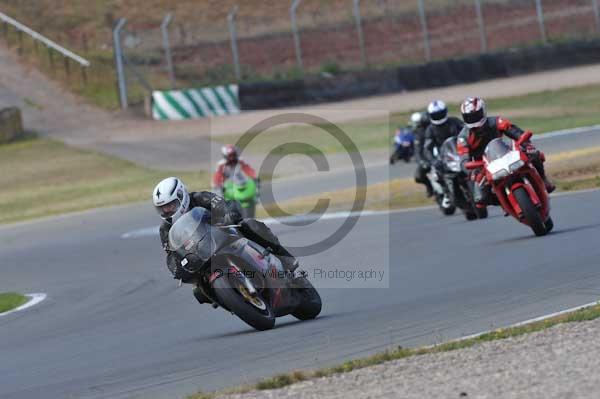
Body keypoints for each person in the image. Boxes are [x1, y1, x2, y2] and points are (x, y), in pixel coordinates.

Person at [152, 177, 299, 303]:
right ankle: (232, 301)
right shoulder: (165, 229)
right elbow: (171, 252)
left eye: (170, 205)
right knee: (198, 291)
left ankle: (285, 258)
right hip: (200, 256)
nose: (167, 211)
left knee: (250, 225)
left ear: (181, 196)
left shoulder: (199, 198)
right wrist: (176, 267)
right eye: (163, 208)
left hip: (222, 236)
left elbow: (220, 204)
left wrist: (228, 214)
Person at [457, 97, 555, 207]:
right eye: (469, 117)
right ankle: (505, 202)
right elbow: (463, 158)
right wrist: (470, 171)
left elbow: (514, 130)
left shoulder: (496, 121)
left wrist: (525, 143)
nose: (473, 119)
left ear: (483, 111)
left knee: (534, 154)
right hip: (483, 165)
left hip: (505, 152)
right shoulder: (463, 137)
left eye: (475, 115)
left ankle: (544, 180)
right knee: (480, 200)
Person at [423, 100, 464, 169]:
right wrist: (433, 161)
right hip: (442, 157)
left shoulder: (455, 121)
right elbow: (427, 148)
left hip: (460, 152)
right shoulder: (430, 129)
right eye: (435, 115)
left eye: (440, 114)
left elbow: (467, 132)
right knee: (420, 173)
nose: (438, 116)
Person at [410, 111, 434, 197]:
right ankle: (430, 187)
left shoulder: (436, 128)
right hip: (427, 159)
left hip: (440, 156)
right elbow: (418, 151)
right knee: (418, 176)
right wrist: (422, 161)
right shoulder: (419, 134)